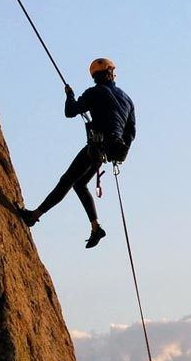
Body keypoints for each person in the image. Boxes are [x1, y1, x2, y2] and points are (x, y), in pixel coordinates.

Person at [20, 58, 136, 248]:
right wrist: (120, 150)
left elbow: (70, 111)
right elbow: (131, 132)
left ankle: (34, 216)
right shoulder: (127, 99)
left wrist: (69, 95)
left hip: (96, 148)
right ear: (111, 73)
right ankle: (95, 227)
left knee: (67, 180)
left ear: (95, 76)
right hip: (109, 150)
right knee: (80, 184)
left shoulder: (94, 92)